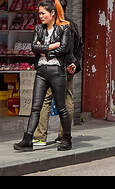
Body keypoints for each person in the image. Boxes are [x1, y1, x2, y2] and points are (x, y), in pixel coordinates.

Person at [14, 0, 74, 151]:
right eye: (39, 13)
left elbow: (65, 48)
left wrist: (44, 51)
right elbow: (34, 47)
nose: (40, 16)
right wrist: (52, 47)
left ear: (52, 13)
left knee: (61, 107)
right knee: (35, 107)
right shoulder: (38, 29)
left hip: (57, 71)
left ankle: (67, 139)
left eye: (43, 13)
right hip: (41, 71)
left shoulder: (64, 28)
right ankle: (27, 139)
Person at [35, 11, 82, 145]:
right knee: (67, 99)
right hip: (66, 67)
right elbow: (79, 46)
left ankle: (40, 135)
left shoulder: (57, 27)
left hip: (56, 68)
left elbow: (66, 48)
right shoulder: (72, 25)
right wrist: (74, 62)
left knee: (46, 99)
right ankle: (63, 135)